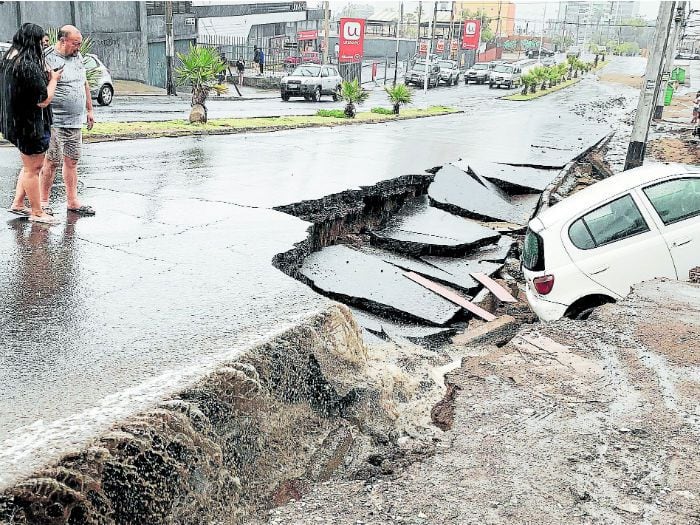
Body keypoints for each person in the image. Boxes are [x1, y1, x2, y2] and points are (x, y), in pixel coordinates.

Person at [2, 23, 62, 224]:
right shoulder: (27, 65)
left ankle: (18, 203)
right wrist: (53, 79)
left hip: (14, 122)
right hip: (29, 124)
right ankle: (37, 212)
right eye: (41, 42)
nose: (43, 46)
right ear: (32, 41)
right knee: (33, 169)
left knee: (28, 166)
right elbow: (43, 99)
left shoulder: (8, 60)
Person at [40, 24, 95, 216]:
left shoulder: (77, 57)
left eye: (79, 44)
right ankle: (43, 202)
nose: (78, 47)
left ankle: (73, 202)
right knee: (51, 161)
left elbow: (84, 83)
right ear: (63, 41)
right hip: (54, 120)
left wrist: (89, 109)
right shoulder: (47, 57)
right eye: (75, 44)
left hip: (75, 120)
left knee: (72, 161)